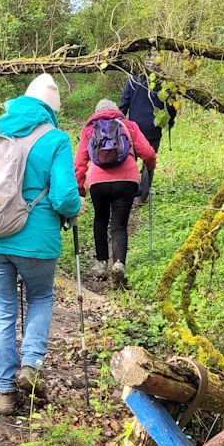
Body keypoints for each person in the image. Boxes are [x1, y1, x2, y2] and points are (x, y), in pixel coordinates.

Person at [0, 74, 82, 415]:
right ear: (52, 110)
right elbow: (65, 197)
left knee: (2, 309)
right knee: (41, 296)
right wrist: (75, 209)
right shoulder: (56, 139)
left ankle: (5, 392)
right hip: (34, 239)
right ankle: (31, 365)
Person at [74, 99, 156, 287]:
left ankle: (101, 264)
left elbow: (79, 164)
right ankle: (119, 263)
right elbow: (149, 153)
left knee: (100, 220)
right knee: (119, 224)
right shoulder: (129, 126)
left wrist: (80, 190)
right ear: (116, 110)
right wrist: (150, 168)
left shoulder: (88, 130)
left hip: (98, 183)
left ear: (96, 113)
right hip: (126, 181)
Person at [119, 56, 177, 202]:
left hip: (133, 129)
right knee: (148, 162)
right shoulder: (163, 82)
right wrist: (171, 120)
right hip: (153, 129)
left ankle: (128, 194)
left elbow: (124, 103)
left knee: (130, 160)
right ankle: (142, 197)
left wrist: (120, 123)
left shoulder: (133, 79)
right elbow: (172, 105)